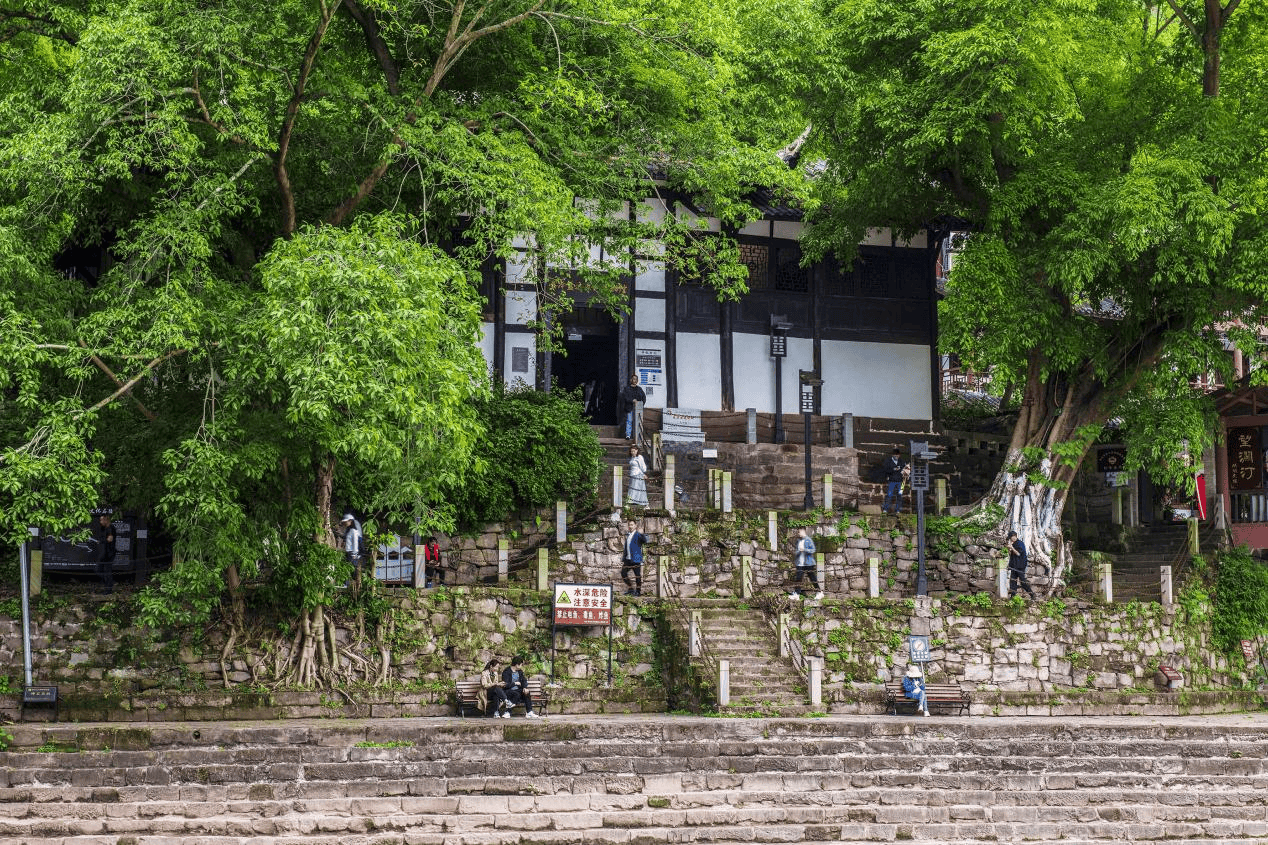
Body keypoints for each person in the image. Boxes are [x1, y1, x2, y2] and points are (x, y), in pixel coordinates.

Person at [788, 527, 822, 601]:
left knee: (812, 577)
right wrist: (798, 551)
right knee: (798, 578)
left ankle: (819, 592)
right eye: (798, 532)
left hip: (808, 563)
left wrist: (804, 549)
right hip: (800, 563)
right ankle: (797, 594)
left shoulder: (808, 540)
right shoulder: (798, 541)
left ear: (803, 531)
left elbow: (813, 550)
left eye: (799, 532)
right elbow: (796, 551)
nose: (799, 533)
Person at [1006, 530, 1036, 600]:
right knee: (1013, 581)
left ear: (1015, 536)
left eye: (1012, 537)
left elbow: (1018, 554)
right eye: (1010, 538)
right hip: (1014, 566)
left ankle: (1032, 594)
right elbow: (1011, 555)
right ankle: (1012, 597)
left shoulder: (1020, 543)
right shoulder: (1013, 544)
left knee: (1023, 581)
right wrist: (1009, 549)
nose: (1011, 539)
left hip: (1020, 566)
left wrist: (1012, 548)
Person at [616, 374, 647, 441]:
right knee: (629, 421)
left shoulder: (639, 389)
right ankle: (628, 435)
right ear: (631, 380)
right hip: (629, 408)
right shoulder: (627, 389)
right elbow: (625, 397)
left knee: (638, 422)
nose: (634, 381)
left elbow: (644, 398)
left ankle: (638, 436)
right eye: (633, 379)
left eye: (636, 379)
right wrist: (632, 400)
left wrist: (641, 405)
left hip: (638, 409)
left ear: (637, 381)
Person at [621, 520, 648, 596]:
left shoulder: (638, 535)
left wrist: (642, 533)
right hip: (628, 559)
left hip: (636, 559)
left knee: (637, 575)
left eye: (632, 525)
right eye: (629, 525)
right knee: (623, 573)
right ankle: (631, 589)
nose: (630, 526)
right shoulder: (628, 535)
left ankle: (638, 592)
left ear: (635, 526)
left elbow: (645, 541)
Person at [882, 448, 907, 515]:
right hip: (891, 481)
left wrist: (905, 471)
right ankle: (885, 509)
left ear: (899, 455)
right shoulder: (888, 461)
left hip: (901, 482)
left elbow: (906, 470)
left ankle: (898, 510)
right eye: (895, 455)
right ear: (893, 455)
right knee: (889, 495)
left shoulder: (902, 462)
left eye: (898, 455)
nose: (896, 456)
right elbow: (885, 470)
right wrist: (894, 469)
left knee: (900, 495)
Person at [95, 513, 116, 595]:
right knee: (100, 570)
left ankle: (108, 588)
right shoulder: (105, 528)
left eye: (101, 520)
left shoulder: (110, 528)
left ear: (106, 519)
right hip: (105, 553)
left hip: (109, 553)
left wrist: (101, 541)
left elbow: (110, 539)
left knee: (107, 571)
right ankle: (108, 586)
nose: (100, 522)